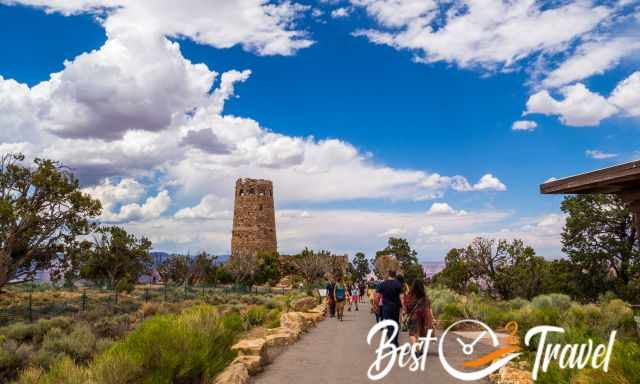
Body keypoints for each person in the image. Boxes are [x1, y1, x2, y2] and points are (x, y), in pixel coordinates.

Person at [404, 279, 435, 357]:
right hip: (425, 318)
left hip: (414, 317)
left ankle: (417, 349)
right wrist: (433, 318)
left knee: (412, 334)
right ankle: (420, 349)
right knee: (422, 335)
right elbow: (429, 308)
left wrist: (405, 314)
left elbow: (407, 307)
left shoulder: (410, 296)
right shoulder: (425, 298)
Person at [376, 270, 402, 346]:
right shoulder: (398, 284)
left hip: (386, 308)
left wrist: (376, 306)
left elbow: (377, 296)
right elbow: (402, 297)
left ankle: (392, 343)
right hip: (396, 308)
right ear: (395, 275)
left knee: (389, 325)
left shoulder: (382, 284)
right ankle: (395, 342)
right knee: (396, 324)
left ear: (388, 274)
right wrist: (404, 308)